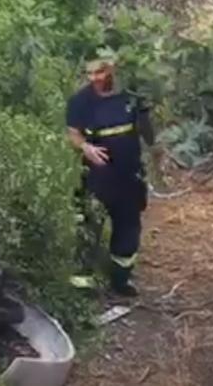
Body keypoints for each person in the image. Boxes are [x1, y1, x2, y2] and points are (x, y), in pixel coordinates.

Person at [65, 57, 153, 297]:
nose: (94, 78)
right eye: (89, 73)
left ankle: (121, 279)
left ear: (112, 70)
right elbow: (73, 133)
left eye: (100, 72)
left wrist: (153, 144)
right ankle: (82, 285)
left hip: (129, 176)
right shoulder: (80, 101)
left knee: (128, 227)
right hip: (97, 177)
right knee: (89, 225)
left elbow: (148, 134)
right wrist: (86, 148)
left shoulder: (131, 97)